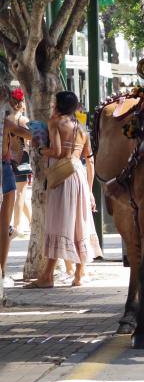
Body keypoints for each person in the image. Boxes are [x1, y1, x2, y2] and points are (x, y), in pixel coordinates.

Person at [27, 92, 102, 288]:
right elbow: (90, 160)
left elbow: (58, 151)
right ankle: (78, 274)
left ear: (59, 104)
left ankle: (47, 276)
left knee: (58, 224)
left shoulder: (55, 122)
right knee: (79, 224)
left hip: (62, 177)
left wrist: (40, 149)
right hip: (79, 175)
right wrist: (91, 191)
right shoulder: (82, 128)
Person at [0, 88, 30, 284]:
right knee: (3, 224)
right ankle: (1, 271)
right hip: (4, 169)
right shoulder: (7, 122)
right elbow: (31, 136)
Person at [8, 89, 31, 238]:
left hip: (9, 158)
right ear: (22, 103)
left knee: (17, 194)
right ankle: (17, 226)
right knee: (20, 193)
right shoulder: (24, 121)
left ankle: (31, 221)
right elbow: (29, 141)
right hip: (22, 158)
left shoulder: (6, 120)